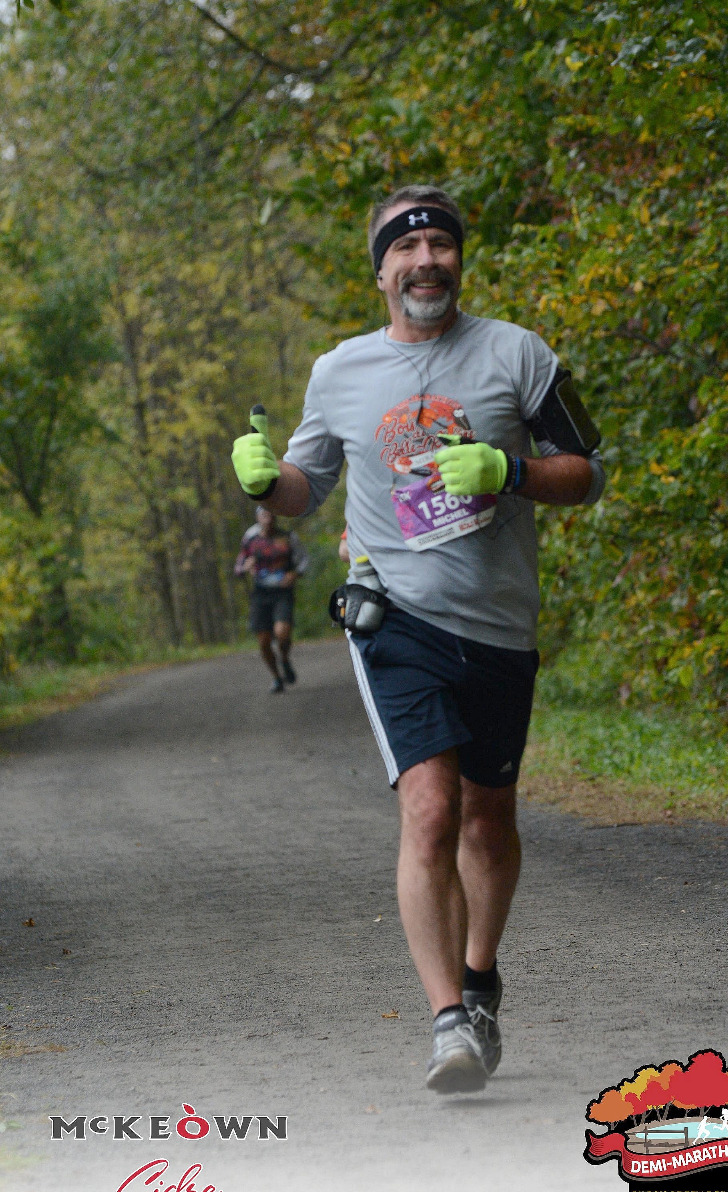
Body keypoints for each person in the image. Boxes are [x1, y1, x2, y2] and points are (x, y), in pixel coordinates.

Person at [231, 184, 605, 1093]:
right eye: (405, 247)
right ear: (381, 272)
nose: (425, 259)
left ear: (458, 260)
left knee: (488, 816)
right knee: (431, 810)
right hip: (392, 618)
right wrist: (265, 480)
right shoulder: (340, 372)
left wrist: (510, 470)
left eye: (439, 243)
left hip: (499, 625)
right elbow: (306, 485)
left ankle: (480, 980)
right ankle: (447, 1025)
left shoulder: (518, 354)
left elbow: (588, 472)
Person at [234, 506, 309, 692]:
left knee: (282, 633)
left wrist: (294, 574)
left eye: (270, 515)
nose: (268, 518)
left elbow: (303, 560)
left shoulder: (288, 537)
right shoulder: (251, 538)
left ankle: (284, 658)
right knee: (264, 641)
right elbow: (239, 566)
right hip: (260, 593)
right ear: (258, 518)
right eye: (264, 515)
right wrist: (245, 567)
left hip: (282, 592)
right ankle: (276, 678)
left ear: (276, 517)